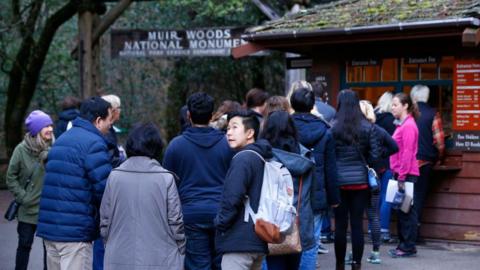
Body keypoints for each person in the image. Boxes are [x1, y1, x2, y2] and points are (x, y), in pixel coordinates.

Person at [37, 97, 113, 270]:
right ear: (99, 120)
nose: (111, 125)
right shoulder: (94, 143)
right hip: (75, 234)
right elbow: (105, 191)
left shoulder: (62, 140)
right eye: (109, 119)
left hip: (51, 230)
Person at [100, 123, 186, 270]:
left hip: (119, 255)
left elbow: (105, 220)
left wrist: (110, 243)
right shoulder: (165, 178)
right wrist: (180, 248)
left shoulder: (114, 177)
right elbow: (175, 222)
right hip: (162, 257)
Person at [163, 92, 233, 270]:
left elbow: (168, 185)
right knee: (223, 265)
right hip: (222, 212)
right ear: (211, 116)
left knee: (197, 266)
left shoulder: (176, 146)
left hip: (190, 214)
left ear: (188, 115)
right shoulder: (228, 144)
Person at [331, 89, 381, 270]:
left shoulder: (333, 126)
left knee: (340, 226)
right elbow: (375, 156)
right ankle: (356, 264)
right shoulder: (368, 127)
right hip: (360, 182)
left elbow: (330, 156)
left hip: (339, 183)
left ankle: (339, 265)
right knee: (357, 225)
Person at [215, 110, 270, 270]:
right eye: (227, 129)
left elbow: (232, 198)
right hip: (257, 238)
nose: (229, 133)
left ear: (250, 132)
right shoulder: (260, 155)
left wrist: (219, 223)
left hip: (239, 242)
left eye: (234, 127)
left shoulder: (243, 159)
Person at [261, 111, 316, 270]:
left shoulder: (263, 156)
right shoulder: (305, 156)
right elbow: (312, 194)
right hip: (299, 223)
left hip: (269, 222)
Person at [289, 86, 340, 259]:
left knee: (284, 240)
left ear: (292, 103)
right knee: (312, 242)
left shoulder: (284, 127)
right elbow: (330, 168)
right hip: (315, 192)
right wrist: (334, 198)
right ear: (312, 105)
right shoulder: (325, 131)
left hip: (287, 190)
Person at [6, 110, 54, 270]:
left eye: (51, 125)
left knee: (50, 250)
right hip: (27, 210)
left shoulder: (56, 147)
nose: (51, 129)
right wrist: (23, 197)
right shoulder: (21, 150)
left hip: (48, 209)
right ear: (36, 130)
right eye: (46, 126)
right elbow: (10, 177)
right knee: (24, 246)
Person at [359, 100, 399, 265]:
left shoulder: (352, 131)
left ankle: (354, 254)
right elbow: (394, 147)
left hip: (354, 177)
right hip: (373, 176)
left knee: (355, 217)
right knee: (373, 215)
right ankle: (375, 252)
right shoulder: (379, 130)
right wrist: (382, 154)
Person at [92, 94, 125, 270]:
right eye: (118, 109)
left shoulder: (108, 131)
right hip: (105, 193)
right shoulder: (103, 135)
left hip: (106, 190)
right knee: (101, 239)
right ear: (112, 111)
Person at [410, 85, 445, 243]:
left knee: (407, 198)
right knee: (419, 198)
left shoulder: (408, 114)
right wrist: (440, 157)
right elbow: (439, 141)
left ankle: (406, 234)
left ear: (413, 97)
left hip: (408, 163)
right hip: (424, 162)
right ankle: (414, 235)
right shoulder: (433, 114)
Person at [388, 93, 420, 258]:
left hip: (406, 174)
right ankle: (405, 245)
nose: (392, 107)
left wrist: (401, 176)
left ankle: (408, 246)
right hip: (401, 172)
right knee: (403, 210)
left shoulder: (408, 126)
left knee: (406, 210)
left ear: (405, 105)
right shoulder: (402, 124)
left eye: (395, 104)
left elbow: (407, 153)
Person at [374, 91, 397, 242]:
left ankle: (373, 228)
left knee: (375, 197)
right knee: (386, 197)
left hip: (374, 163)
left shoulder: (373, 119)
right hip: (388, 162)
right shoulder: (392, 121)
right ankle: (383, 230)